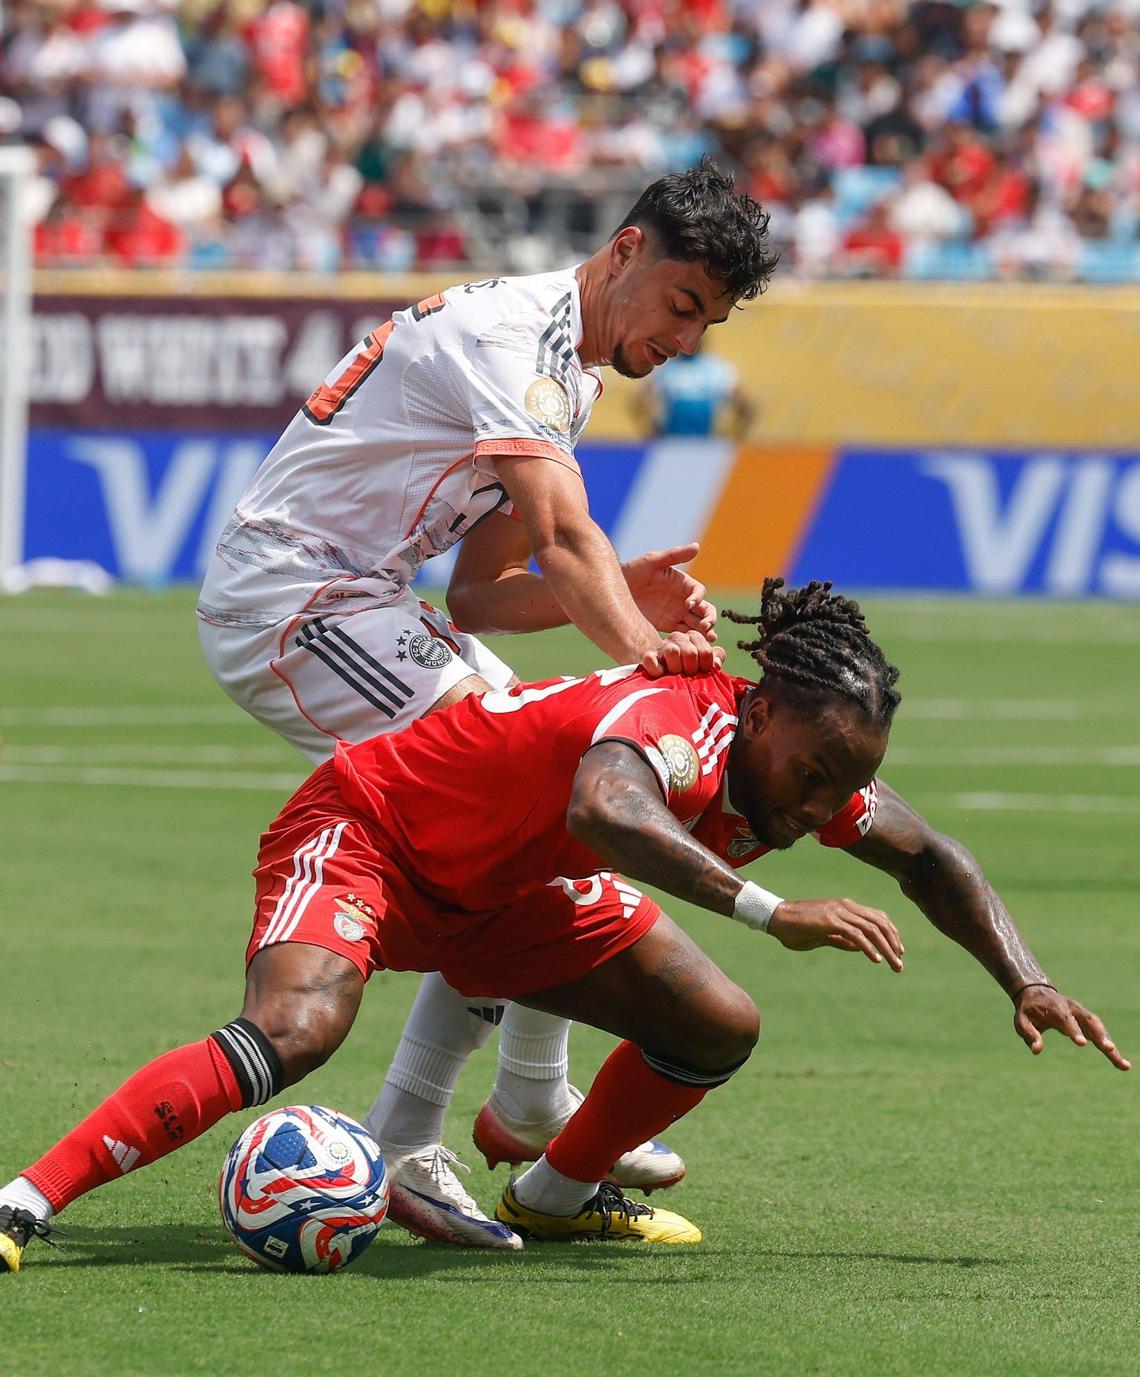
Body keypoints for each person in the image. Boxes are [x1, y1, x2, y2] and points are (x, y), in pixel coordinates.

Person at [2, 580, 1127, 1268]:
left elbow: (932, 857)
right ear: (763, 707)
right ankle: (25, 1202)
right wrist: (767, 907)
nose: (821, 805)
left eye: (844, 787)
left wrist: (1021, 977)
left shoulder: (795, 776)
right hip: (370, 835)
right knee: (296, 1030)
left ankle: (555, 1196)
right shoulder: (674, 719)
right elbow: (608, 807)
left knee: (715, 1023)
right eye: (816, 772)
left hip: (499, 896)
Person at [193, 159, 778, 1246]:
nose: (687, 341)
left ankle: (524, 1096)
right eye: (683, 306)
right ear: (626, 253)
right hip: (294, 602)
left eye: (709, 323)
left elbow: (481, 593)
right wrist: (650, 656)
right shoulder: (513, 341)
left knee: (552, 793)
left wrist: (622, 603)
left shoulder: (574, 371)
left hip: (369, 602)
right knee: (553, 782)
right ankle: (417, 1133)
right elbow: (562, 539)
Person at [629, 338, 756, 440]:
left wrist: (734, 438)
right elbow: (639, 402)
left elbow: (745, 406)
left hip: (707, 445)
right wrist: (651, 433)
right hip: (671, 444)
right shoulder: (663, 368)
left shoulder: (718, 368)